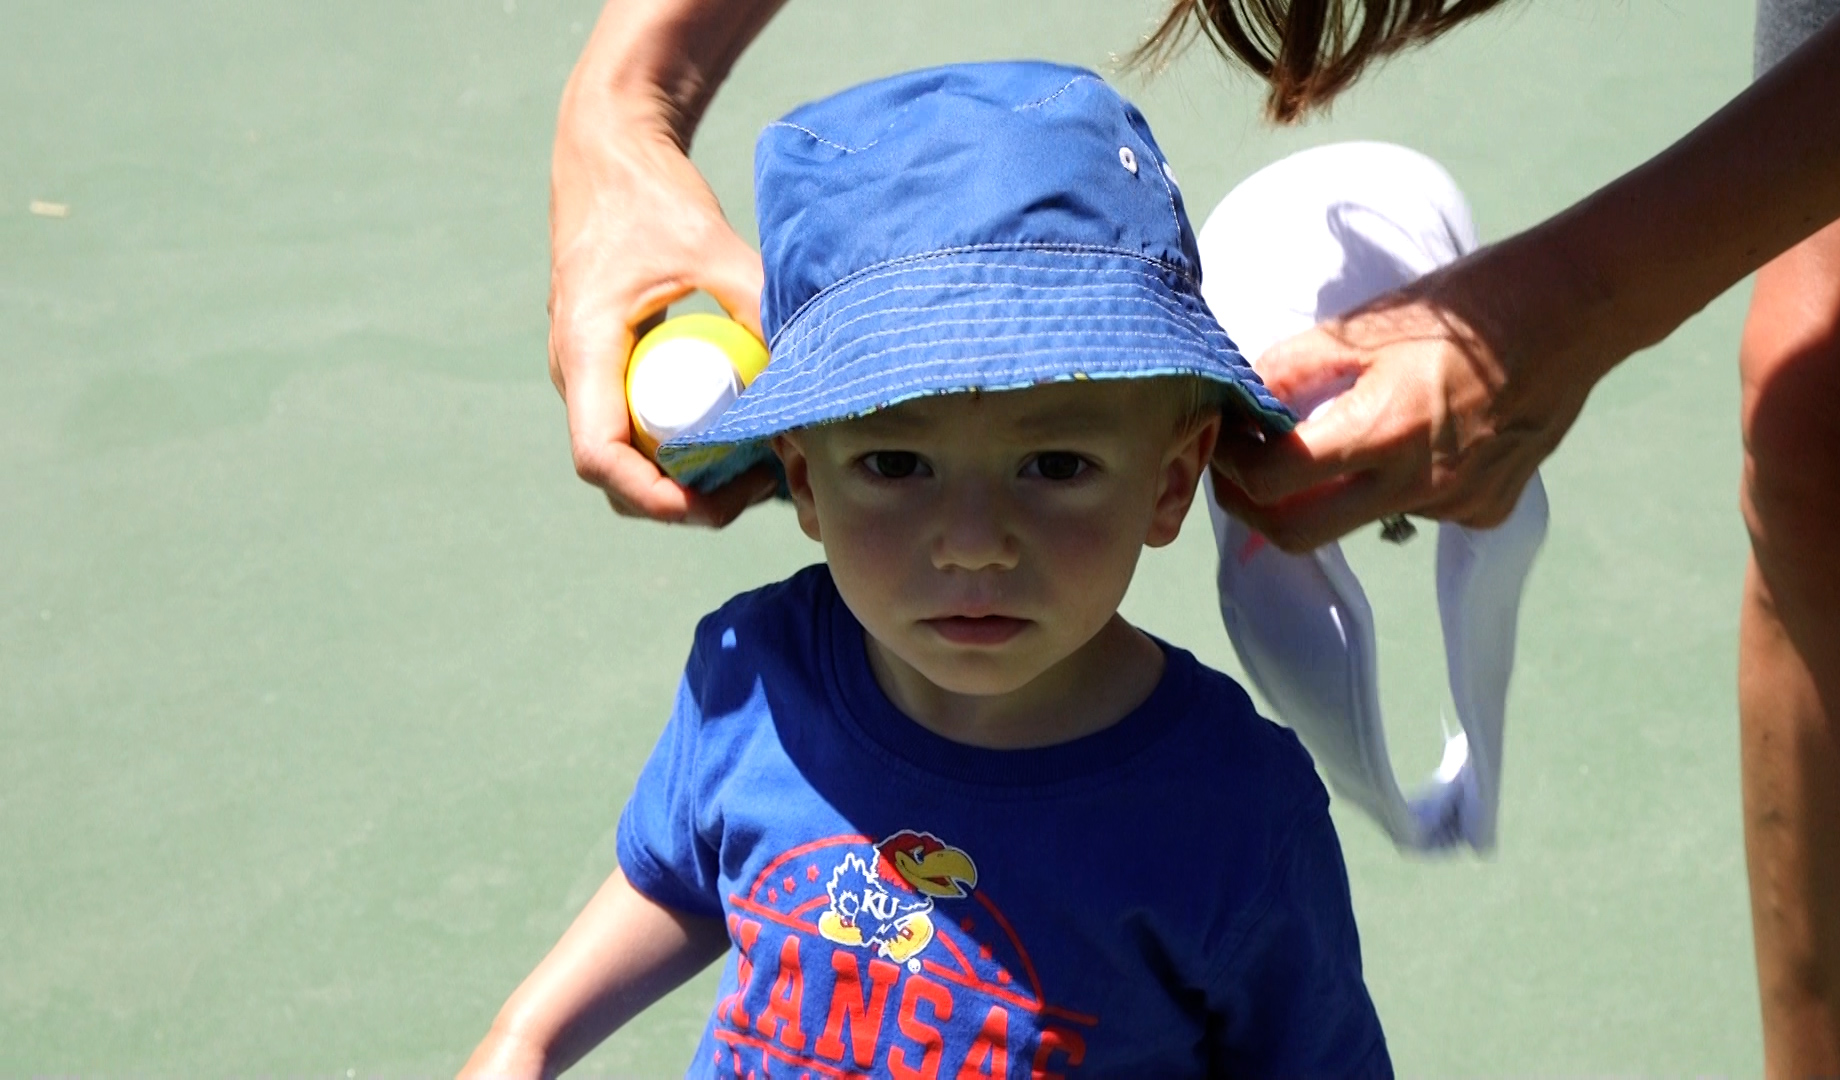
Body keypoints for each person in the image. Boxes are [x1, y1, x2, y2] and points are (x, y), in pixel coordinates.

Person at [467, 63, 1391, 1077]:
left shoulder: (1236, 815)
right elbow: (682, 879)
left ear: (1172, 482)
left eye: (1056, 466)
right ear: (803, 480)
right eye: (895, 465)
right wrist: (527, 1039)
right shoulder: (758, 679)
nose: (973, 541)